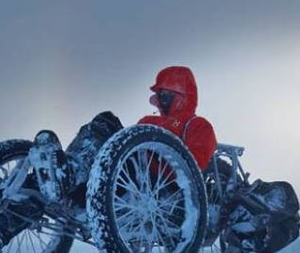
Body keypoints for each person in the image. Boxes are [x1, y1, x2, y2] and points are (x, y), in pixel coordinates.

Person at [29, 66, 217, 204]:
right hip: (125, 172)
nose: (161, 100)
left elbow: (193, 166)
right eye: (159, 95)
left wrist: (158, 157)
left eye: (166, 95)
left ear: (182, 96)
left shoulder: (197, 125)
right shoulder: (148, 121)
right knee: (102, 125)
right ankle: (29, 193)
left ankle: (68, 172)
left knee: (106, 121)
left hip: (154, 181)